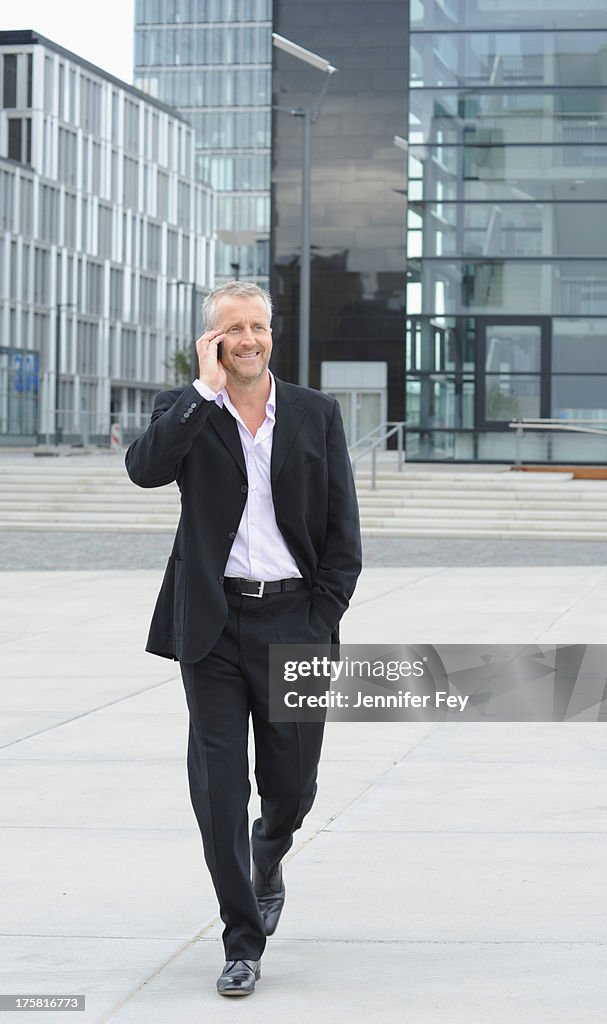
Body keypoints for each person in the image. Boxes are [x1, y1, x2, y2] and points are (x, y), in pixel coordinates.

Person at [125, 281, 362, 997]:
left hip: (295, 620)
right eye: (233, 329)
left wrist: (318, 618)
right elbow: (144, 470)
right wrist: (201, 391)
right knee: (219, 792)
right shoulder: (185, 408)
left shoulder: (315, 413)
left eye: (257, 326)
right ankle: (241, 939)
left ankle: (272, 849)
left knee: (290, 787)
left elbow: (342, 533)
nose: (248, 339)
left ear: (270, 334)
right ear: (212, 340)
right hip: (215, 627)